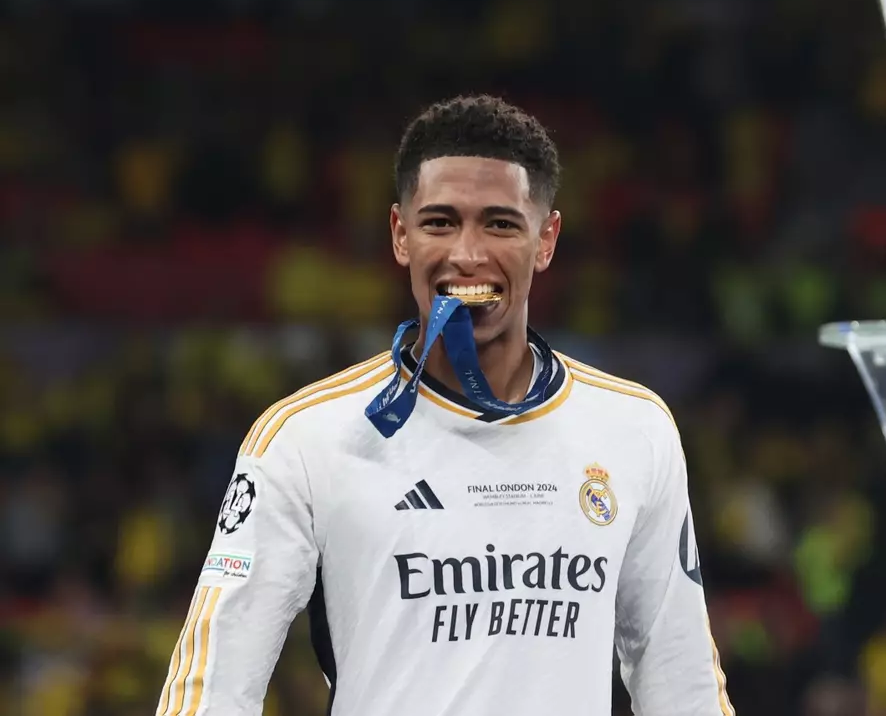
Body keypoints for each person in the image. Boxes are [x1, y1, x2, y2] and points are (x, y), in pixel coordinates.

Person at [154, 95, 734, 716]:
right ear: (401, 236)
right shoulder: (304, 439)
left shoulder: (633, 429)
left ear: (547, 240)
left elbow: (681, 681)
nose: (467, 254)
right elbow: (211, 687)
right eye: (439, 222)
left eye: (501, 224)